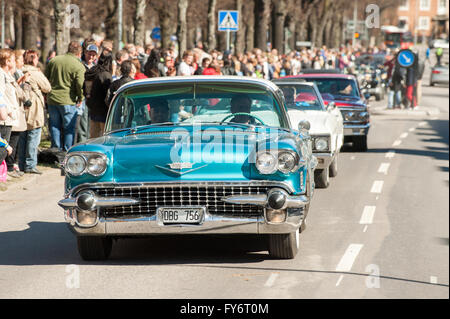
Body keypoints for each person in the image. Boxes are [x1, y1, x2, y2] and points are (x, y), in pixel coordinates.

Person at [44, 41, 85, 151]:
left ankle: (55, 150)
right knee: (69, 128)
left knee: (54, 126)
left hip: (52, 99)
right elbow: (80, 84)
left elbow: (45, 79)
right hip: (68, 100)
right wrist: (81, 97)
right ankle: (67, 151)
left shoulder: (54, 60)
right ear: (79, 52)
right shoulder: (78, 65)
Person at [18, 50, 52, 175]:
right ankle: (30, 164)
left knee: (23, 137)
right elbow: (47, 87)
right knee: (33, 136)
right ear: (33, 59)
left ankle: (21, 163)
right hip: (34, 108)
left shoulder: (19, 70)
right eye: (37, 58)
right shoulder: (34, 73)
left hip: (22, 107)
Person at [0, 48, 28, 178]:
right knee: (3, 149)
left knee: (6, 148)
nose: (15, 62)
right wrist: (7, 111)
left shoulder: (8, 75)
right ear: (7, 61)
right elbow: (2, 95)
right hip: (4, 117)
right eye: (12, 59)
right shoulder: (1, 75)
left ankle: (4, 171)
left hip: (9, 117)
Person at [85, 52, 113, 138]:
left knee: (93, 137)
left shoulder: (92, 71)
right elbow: (108, 94)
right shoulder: (106, 75)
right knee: (105, 137)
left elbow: (86, 89)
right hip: (104, 110)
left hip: (93, 108)